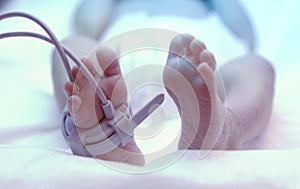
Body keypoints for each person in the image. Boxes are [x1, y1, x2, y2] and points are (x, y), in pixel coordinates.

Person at [52, 33, 274, 166]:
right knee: (72, 44)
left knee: (255, 64)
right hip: (114, 78)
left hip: (205, 74)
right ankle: (94, 129)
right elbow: (87, 20)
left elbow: (248, 35)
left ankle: (226, 125)